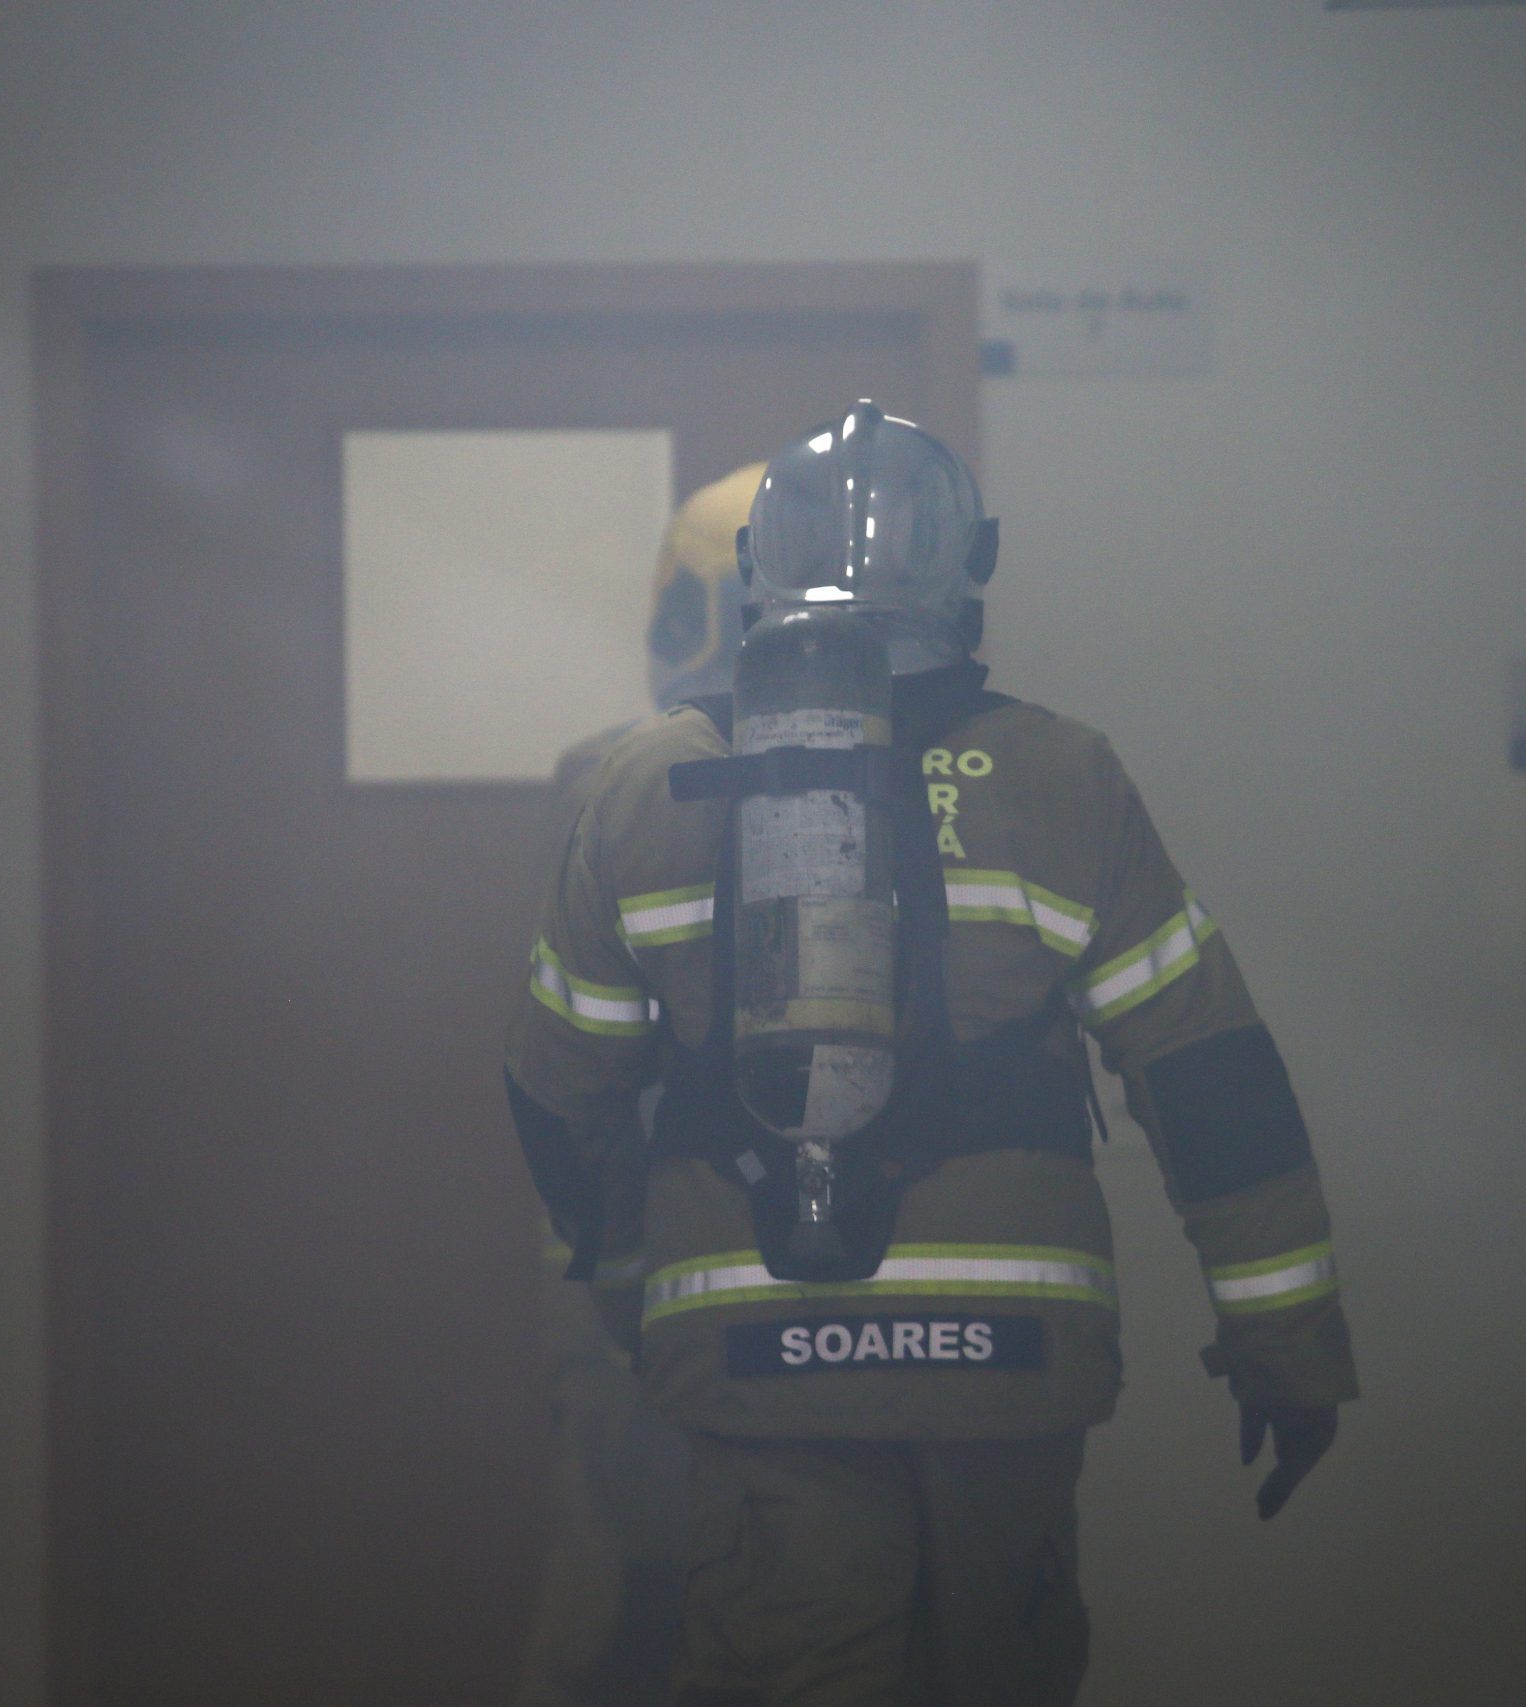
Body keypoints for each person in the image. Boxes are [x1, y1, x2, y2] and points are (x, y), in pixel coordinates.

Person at [504, 403, 1359, 1706]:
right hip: (1008, 1358)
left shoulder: (646, 785)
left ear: (756, 573)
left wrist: (631, 1293)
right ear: (976, 564)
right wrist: (1285, 1346)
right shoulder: (1063, 778)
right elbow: (1211, 1081)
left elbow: (560, 1094)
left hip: (757, 1351)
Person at [511, 463, 767, 1707]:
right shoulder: (622, 783)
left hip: (668, 1277)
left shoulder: (612, 777)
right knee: (640, 1606)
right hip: (657, 1276)